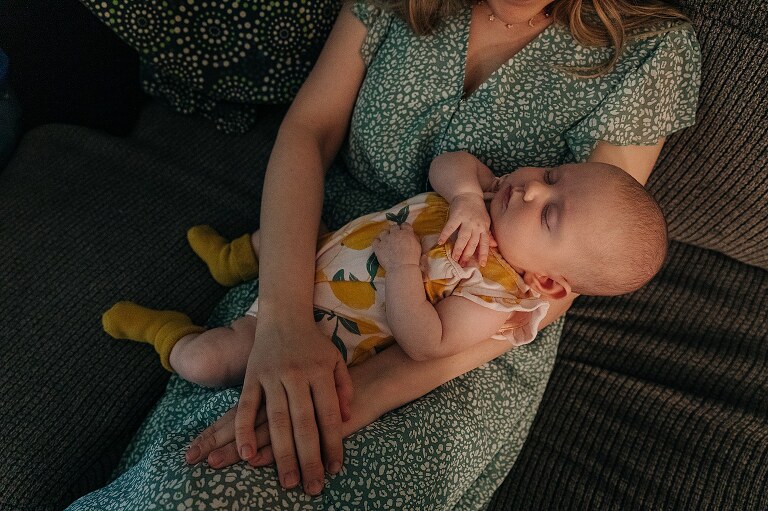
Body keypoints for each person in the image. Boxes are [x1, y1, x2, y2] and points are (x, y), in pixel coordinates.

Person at [66, 0, 700, 507]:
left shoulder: (649, 54)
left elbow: (569, 271)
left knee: (272, 477)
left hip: (464, 340)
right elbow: (309, 131)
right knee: (186, 477)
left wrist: (356, 399)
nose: (535, 184)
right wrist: (285, 321)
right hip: (324, 260)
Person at [101, 155, 667, 389]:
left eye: (547, 211)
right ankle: (232, 262)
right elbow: (447, 162)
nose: (532, 185)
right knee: (284, 229)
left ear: (547, 284)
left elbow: (427, 342)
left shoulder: (495, 294)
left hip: (317, 323)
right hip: (315, 248)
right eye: (551, 172)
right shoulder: (491, 196)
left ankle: (165, 333)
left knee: (207, 364)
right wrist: (468, 195)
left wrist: (402, 268)